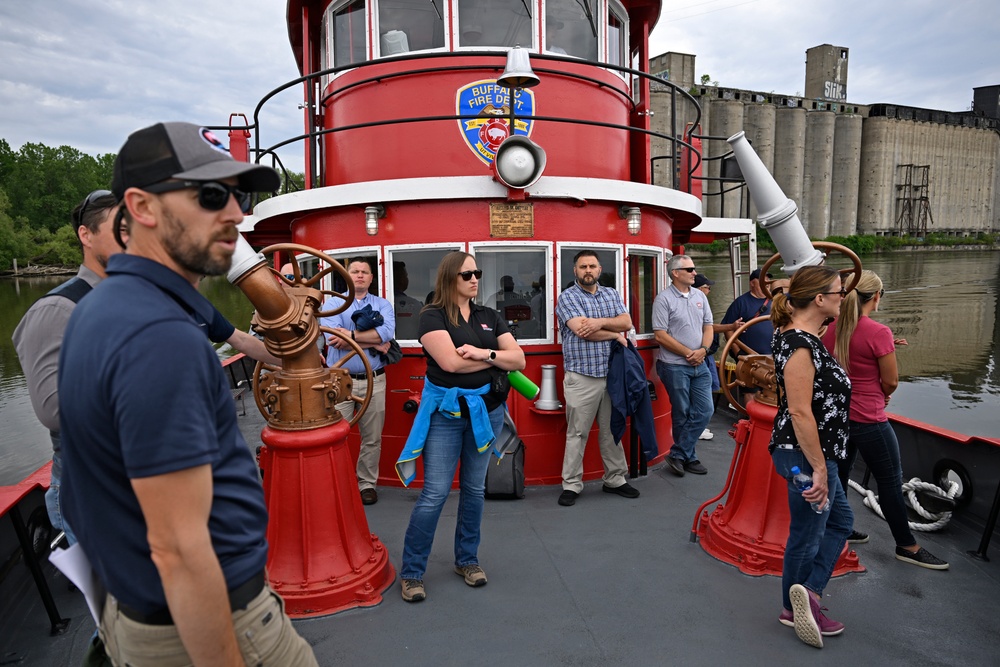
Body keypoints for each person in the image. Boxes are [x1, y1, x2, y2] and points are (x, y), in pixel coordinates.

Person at [59, 121, 316, 665]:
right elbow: (178, 549)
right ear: (142, 207)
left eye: (239, 195)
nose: (237, 214)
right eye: (210, 195)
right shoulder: (161, 338)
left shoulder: (101, 309)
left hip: (138, 610)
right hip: (216, 623)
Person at [397, 252, 525, 602]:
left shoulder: (489, 316)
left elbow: (520, 359)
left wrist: (484, 355)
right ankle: (411, 572)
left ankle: (466, 560)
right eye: (467, 273)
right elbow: (450, 364)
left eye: (477, 272)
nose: (474, 278)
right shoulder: (431, 316)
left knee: (473, 490)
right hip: (446, 417)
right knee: (435, 493)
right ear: (450, 278)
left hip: (487, 413)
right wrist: (495, 362)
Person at [822, 271, 948, 569]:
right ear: (876, 297)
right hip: (869, 419)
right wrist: (881, 386)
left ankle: (840, 527)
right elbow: (890, 382)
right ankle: (907, 545)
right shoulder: (878, 333)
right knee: (890, 482)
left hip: (840, 418)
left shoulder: (830, 329)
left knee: (839, 476)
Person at [768, 265, 854, 649]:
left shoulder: (800, 336)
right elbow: (801, 411)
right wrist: (819, 468)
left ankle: (808, 593)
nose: (843, 297)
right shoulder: (799, 344)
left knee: (839, 521)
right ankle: (795, 605)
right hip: (808, 456)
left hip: (813, 453)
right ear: (819, 299)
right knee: (809, 531)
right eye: (838, 292)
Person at [555, 250, 640, 506]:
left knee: (611, 429)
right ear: (575, 271)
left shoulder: (611, 294)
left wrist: (600, 322)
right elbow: (582, 331)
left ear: (600, 269)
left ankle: (615, 479)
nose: (588, 270)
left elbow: (626, 321)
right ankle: (571, 484)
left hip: (612, 375)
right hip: (582, 376)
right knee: (577, 433)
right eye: (583, 267)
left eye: (592, 266)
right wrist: (613, 334)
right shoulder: (567, 297)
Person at [320, 257, 396, 505]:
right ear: (347, 276)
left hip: (374, 380)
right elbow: (332, 339)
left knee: (372, 437)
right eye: (355, 271)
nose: (360, 275)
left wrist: (351, 335)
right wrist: (373, 340)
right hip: (340, 381)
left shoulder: (383, 304)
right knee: (334, 435)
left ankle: (366, 485)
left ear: (372, 278)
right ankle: (336, 482)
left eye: (365, 272)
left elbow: (386, 333)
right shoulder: (332, 304)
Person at [653, 255, 714, 477]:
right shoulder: (663, 300)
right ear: (675, 273)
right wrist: (689, 353)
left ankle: (678, 453)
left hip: (700, 364)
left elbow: (708, 327)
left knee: (706, 410)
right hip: (674, 365)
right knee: (682, 413)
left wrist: (704, 351)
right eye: (689, 269)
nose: (694, 273)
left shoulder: (700, 296)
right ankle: (690, 458)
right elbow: (660, 334)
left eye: (694, 269)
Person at [692, 273, 743, 441]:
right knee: (702, 389)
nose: (709, 290)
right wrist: (731, 326)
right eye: (707, 287)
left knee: (710, 386)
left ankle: (701, 423)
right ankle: (697, 426)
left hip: (707, 354)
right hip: (702, 354)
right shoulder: (696, 305)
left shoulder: (702, 304)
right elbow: (709, 327)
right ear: (699, 289)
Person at [721, 268, 774, 357]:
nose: (766, 282)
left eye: (768, 279)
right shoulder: (740, 302)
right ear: (752, 283)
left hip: (774, 356)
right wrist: (737, 352)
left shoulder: (775, 300)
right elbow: (727, 329)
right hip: (749, 357)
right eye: (762, 279)